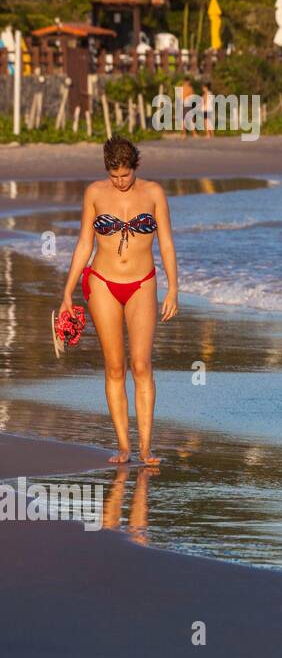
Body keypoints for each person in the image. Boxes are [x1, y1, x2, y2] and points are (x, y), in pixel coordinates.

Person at [58, 137, 179, 466]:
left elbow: (166, 242)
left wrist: (173, 289)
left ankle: (145, 448)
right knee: (114, 367)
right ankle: (124, 447)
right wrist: (68, 291)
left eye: (124, 175)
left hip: (143, 283)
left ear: (135, 166)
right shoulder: (95, 193)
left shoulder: (154, 193)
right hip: (102, 282)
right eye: (114, 176)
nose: (120, 182)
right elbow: (85, 243)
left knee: (141, 365)